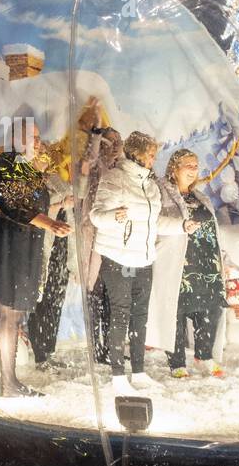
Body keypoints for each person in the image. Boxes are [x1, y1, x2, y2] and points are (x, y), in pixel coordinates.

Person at [90, 131, 196, 394]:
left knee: (140, 317)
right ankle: (118, 376)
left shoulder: (150, 185)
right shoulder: (115, 178)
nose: (153, 159)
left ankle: (138, 372)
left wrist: (182, 225)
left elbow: (155, 222)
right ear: (136, 152)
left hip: (144, 258)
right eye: (150, 154)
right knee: (120, 315)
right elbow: (96, 216)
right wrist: (114, 215)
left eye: (154, 155)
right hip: (117, 259)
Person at [0, 119, 72, 397]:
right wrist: (49, 223)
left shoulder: (26, 169)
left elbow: (31, 205)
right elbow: (11, 203)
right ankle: (7, 382)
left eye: (39, 137)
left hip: (22, 251)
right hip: (7, 252)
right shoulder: (7, 164)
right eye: (33, 136)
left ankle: (9, 380)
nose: (38, 142)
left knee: (14, 315)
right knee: (8, 313)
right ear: (17, 138)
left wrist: (53, 215)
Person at [145, 149, 226, 378]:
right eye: (188, 165)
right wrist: (180, 225)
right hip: (178, 263)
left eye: (196, 165)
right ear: (174, 168)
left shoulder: (201, 197)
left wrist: (223, 260)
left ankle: (204, 355)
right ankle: (177, 362)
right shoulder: (160, 192)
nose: (193, 169)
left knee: (210, 307)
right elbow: (153, 222)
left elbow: (213, 231)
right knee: (176, 311)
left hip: (206, 265)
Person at [78, 126, 122, 364]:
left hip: (115, 236)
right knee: (93, 289)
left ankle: (110, 346)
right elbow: (89, 159)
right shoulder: (95, 166)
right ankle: (96, 347)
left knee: (111, 294)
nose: (114, 146)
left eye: (117, 142)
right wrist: (95, 139)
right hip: (93, 233)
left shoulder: (121, 168)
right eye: (109, 142)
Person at [28, 152, 74, 369]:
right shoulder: (28, 181)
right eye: (40, 155)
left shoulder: (53, 178)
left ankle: (50, 349)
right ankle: (39, 354)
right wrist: (60, 205)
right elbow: (31, 214)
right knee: (40, 300)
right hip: (41, 244)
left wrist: (65, 201)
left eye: (47, 155)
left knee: (56, 298)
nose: (45, 159)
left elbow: (70, 196)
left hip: (61, 244)